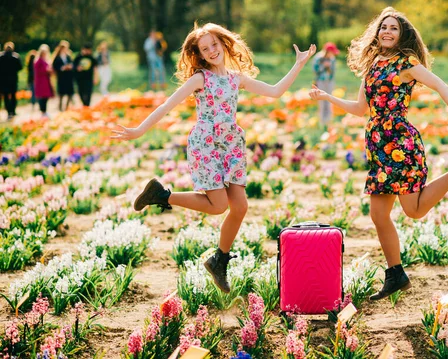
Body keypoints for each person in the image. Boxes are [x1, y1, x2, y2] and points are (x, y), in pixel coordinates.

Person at [309, 7, 448, 300]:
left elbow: (440, 85)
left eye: (393, 28)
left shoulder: (407, 63)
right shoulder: (373, 65)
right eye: (383, 27)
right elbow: (361, 109)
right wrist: (327, 96)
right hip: (378, 147)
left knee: (414, 210)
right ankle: (395, 274)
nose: (387, 32)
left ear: (402, 35)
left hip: (399, 144)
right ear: (377, 32)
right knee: (378, 214)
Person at [112, 23, 316, 293]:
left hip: (231, 145)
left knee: (240, 207)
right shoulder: (200, 79)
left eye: (214, 45)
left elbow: (276, 91)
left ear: (223, 44)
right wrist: (139, 130)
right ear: (199, 54)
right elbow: (167, 105)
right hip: (206, 144)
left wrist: (299, 63)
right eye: (204, 48)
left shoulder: (235, 78)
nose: (211, 51)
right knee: (219, 206)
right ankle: (161, 195)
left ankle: (219, 260)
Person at [313, 42, 339, 125]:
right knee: (321, 101)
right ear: (327, 51)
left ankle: (328, 122)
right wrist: (323, 66)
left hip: (329, 81)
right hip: (321, 81)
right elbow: (315, 70)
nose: (332, 54)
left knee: (329, 100)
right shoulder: (318, 58)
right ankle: (321, 122)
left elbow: (333, 71)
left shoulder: (332, 58)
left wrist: (329, 67)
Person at [0, 42, 23, 120]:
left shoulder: (1, 57)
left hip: (3, 80)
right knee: (13, 96)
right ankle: (12, 111)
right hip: (13, 79)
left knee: (6, 96)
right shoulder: (15, 56)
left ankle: (8, 111)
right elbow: (20, 67)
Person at [51, 40, 75, 111]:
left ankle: (67, 107)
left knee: (69, 93)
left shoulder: (68, 56)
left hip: (68, 76)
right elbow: (55, 66)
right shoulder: (57, 57)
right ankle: (60, 107)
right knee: (61, 93)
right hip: (61, 77)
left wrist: (70, 67)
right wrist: (62, 68)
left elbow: (72, 64)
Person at [33, 44, 55, 118]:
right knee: (42, 97)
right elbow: (38, 70)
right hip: (41, 81)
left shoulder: (46, 60)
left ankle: (44, 110)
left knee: (46, 96)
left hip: (46, 80)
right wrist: (46, 70)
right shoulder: (38, 61)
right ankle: (43, 111)